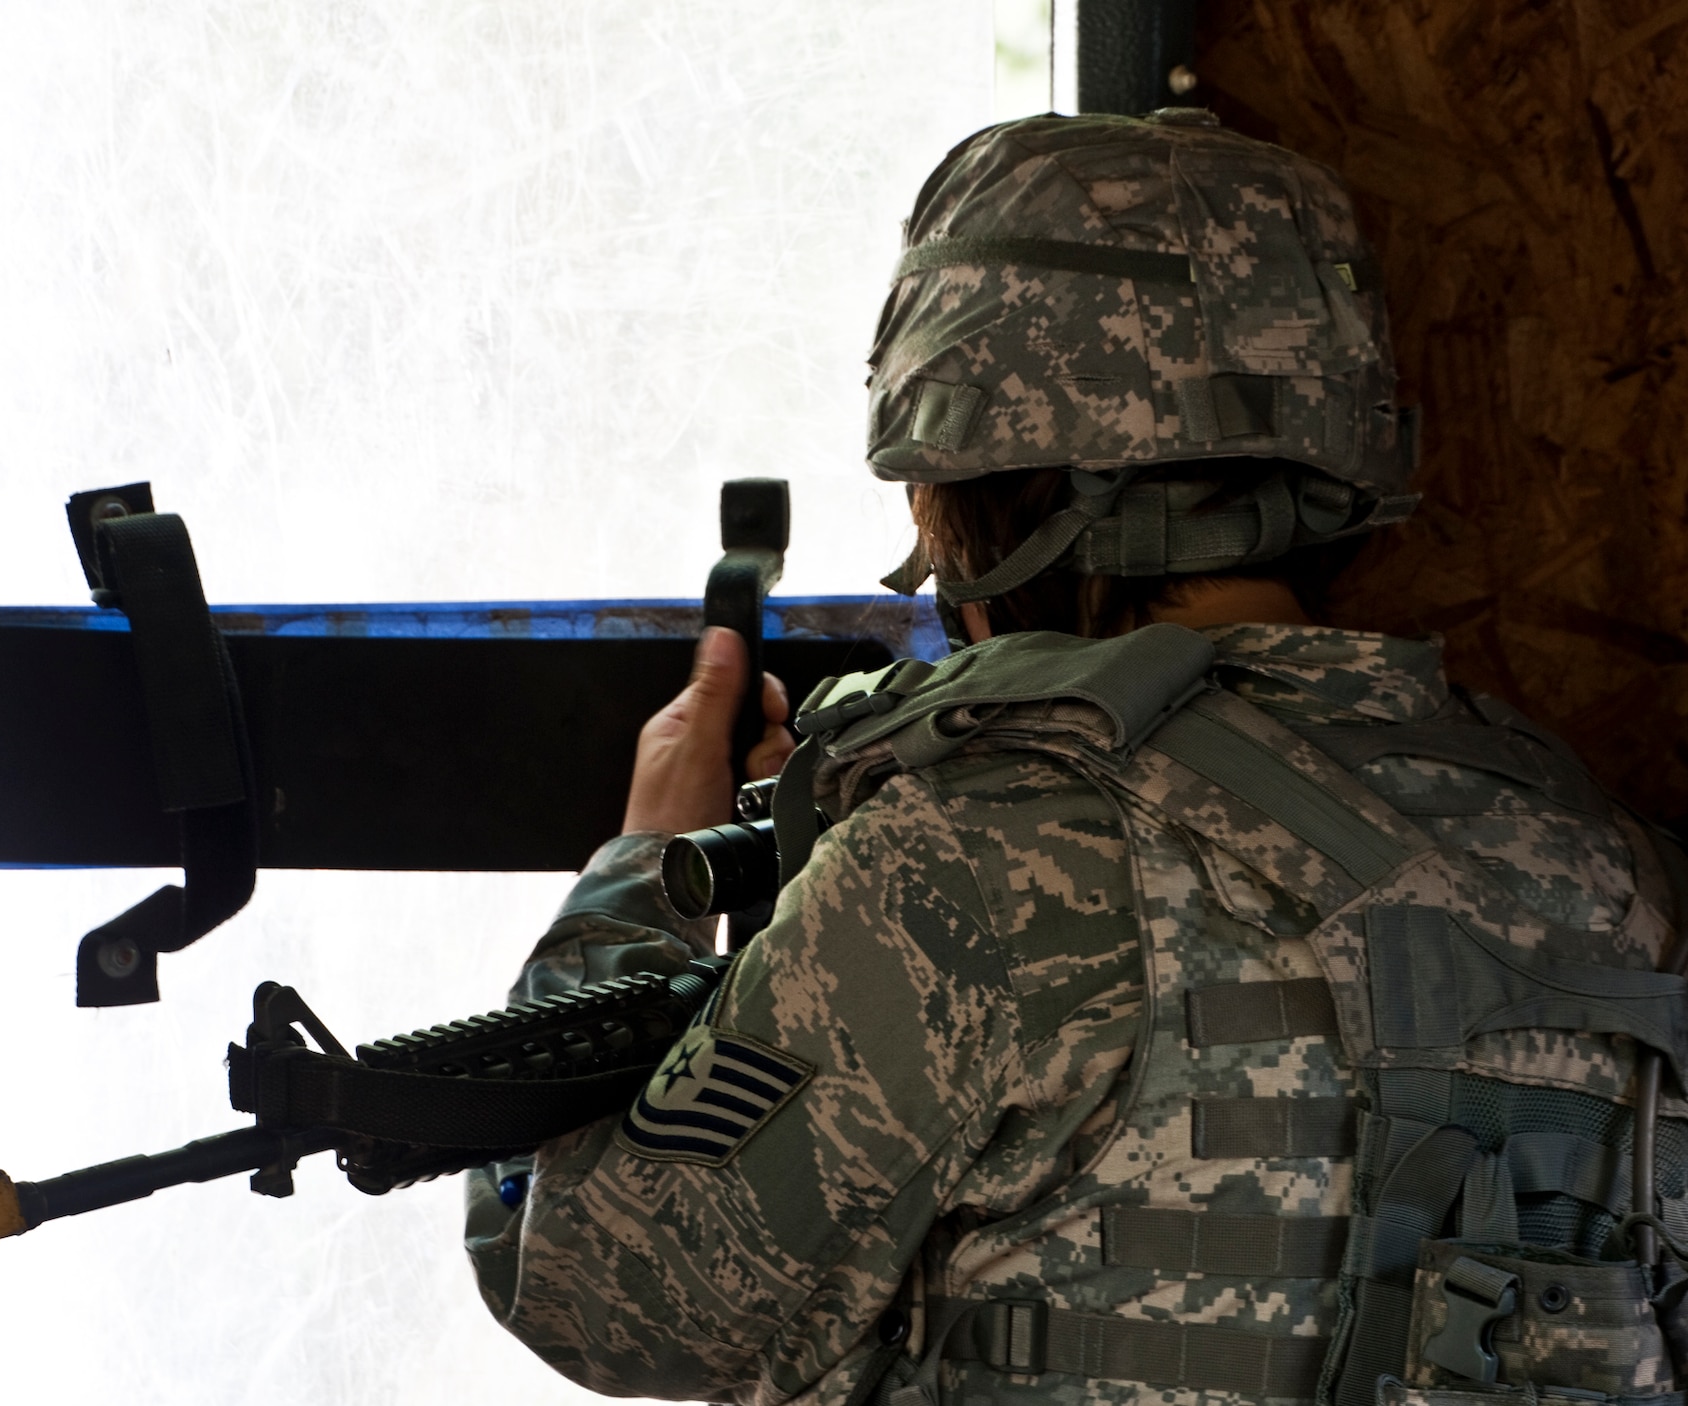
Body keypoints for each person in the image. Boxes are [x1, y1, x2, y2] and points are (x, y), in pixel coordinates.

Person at [465, 111, 1687, 1405]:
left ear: (969, 485)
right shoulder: (1614, 870)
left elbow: (604, 1294)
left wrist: (645, 868)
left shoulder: (976, 862)